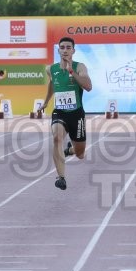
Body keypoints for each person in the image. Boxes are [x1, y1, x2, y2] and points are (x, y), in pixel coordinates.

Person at [39, 37, 93, 191]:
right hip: (60, 112)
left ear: (73, 51)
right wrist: (46, 101)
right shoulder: (51, 69)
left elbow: (88, 86)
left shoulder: (80, 67)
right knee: (56, 138)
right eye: (62, 47)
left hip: (76, 114)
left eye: (68, 47)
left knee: (80, 153)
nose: (65, 50)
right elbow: (51, 83)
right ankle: (61, 177)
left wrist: (72, 72)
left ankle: (70, 149)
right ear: (58, 50)